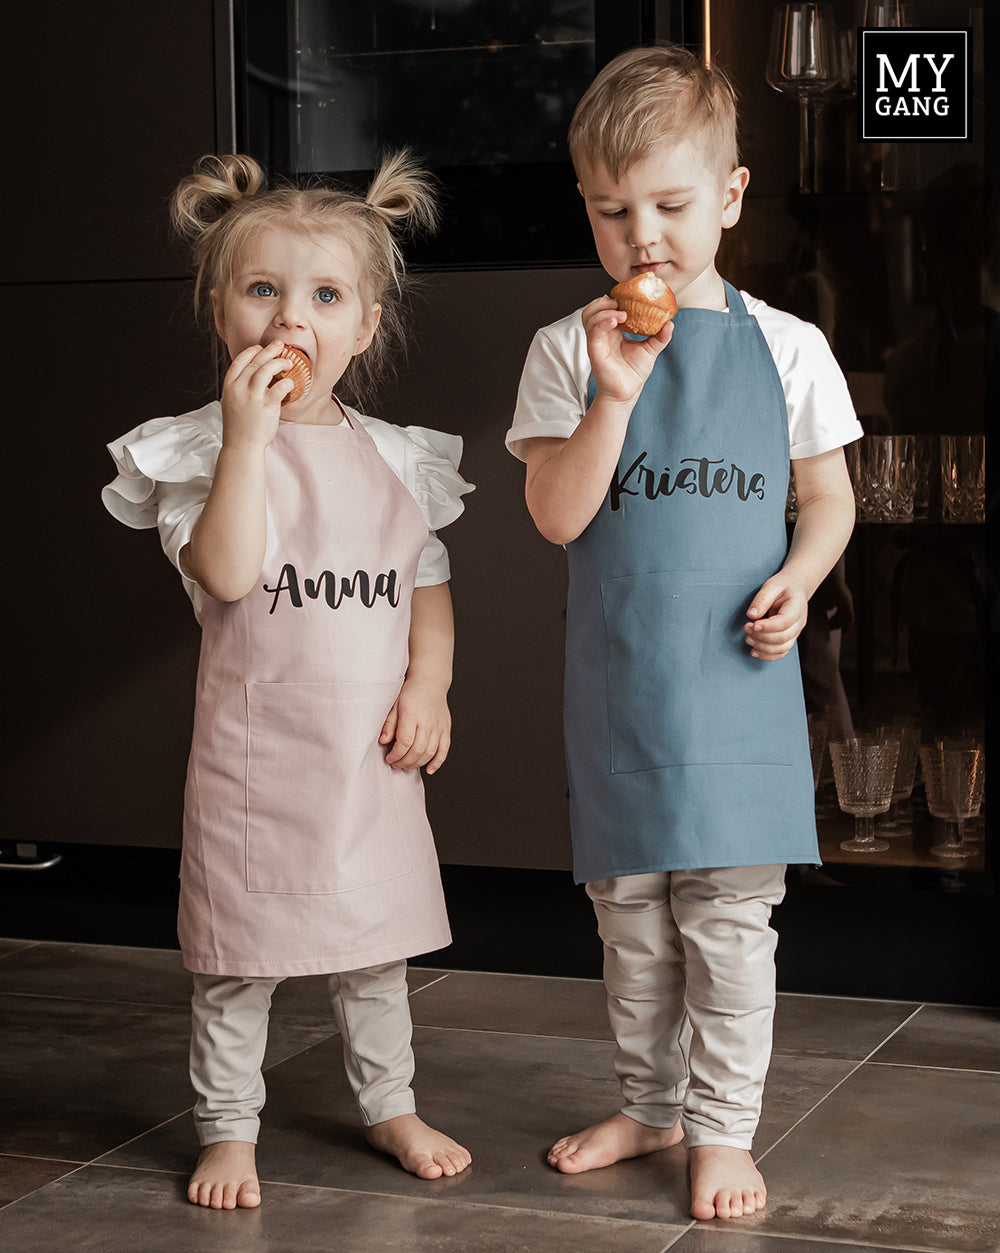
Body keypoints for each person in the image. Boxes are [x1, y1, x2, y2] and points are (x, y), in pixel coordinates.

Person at [505, 46, 861, 1221]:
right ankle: (650, 1104)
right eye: (612, 212)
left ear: (731, 195)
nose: (642, 236)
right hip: (623, 691)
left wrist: (799, 578)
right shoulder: (565, 349)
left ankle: (720, 1128)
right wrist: (612, 391)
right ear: (586, 209)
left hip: (738, 692)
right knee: (633, 926)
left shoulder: (789, 347)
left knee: (727, 924)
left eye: (668, 204)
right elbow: (558, 514)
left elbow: (827, 497)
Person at [102, 151, 474, 1209]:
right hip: (257, 766)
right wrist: (247, 441)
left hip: (367, 757)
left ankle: (390, 1102)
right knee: (238, 960)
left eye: (323, 296)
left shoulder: (397, 456)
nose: (289, 319)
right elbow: (226, 571)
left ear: (365, 325)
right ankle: (228, 1124)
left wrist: (430, 685)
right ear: (220, 310)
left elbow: (425, 580)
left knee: (375, 949)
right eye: (262, 289)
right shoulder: (198, 451)